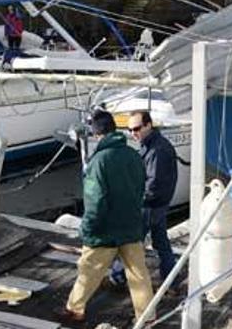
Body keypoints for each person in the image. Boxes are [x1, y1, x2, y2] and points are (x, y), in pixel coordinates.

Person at [64, 110, 154, 323]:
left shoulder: (98, 161)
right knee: (139, 275)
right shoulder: (133, 155)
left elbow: (95, 202)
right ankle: (148, 318)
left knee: (89, 271)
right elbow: (141, 188)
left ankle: (75, 309)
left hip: (105, 230)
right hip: (131, 225)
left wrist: (86, 229)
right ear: (115, 129)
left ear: (96, 134)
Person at [109, 111, 178, 288]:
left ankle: (117, 276)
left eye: (137, 129)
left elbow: (152, 184)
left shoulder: (157, 150)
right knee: (161, 241)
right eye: (130, 130)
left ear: (148, 125)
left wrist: (133, 200)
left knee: (129, 239)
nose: (133, 133)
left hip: (150, 205)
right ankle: (171, 280)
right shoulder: (152, 145)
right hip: (158, 204)